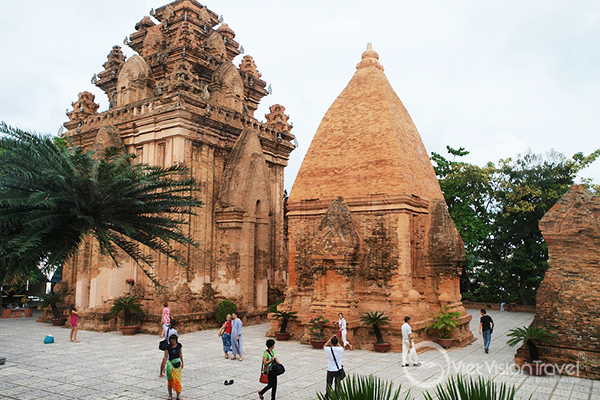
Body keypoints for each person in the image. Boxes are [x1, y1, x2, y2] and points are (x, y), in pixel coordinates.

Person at [160, 334, 184, 400]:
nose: (173, 342)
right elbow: (165, 357)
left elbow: (180, 354)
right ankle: (170, 395)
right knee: (170, 380)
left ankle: (178, 395)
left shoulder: (179, 345)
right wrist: (164, 366)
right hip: (170, 364)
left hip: (177, 364)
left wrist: (182, 362)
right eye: (171, 341)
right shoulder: (168, 347)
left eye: (174, 341)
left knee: (178, 380)